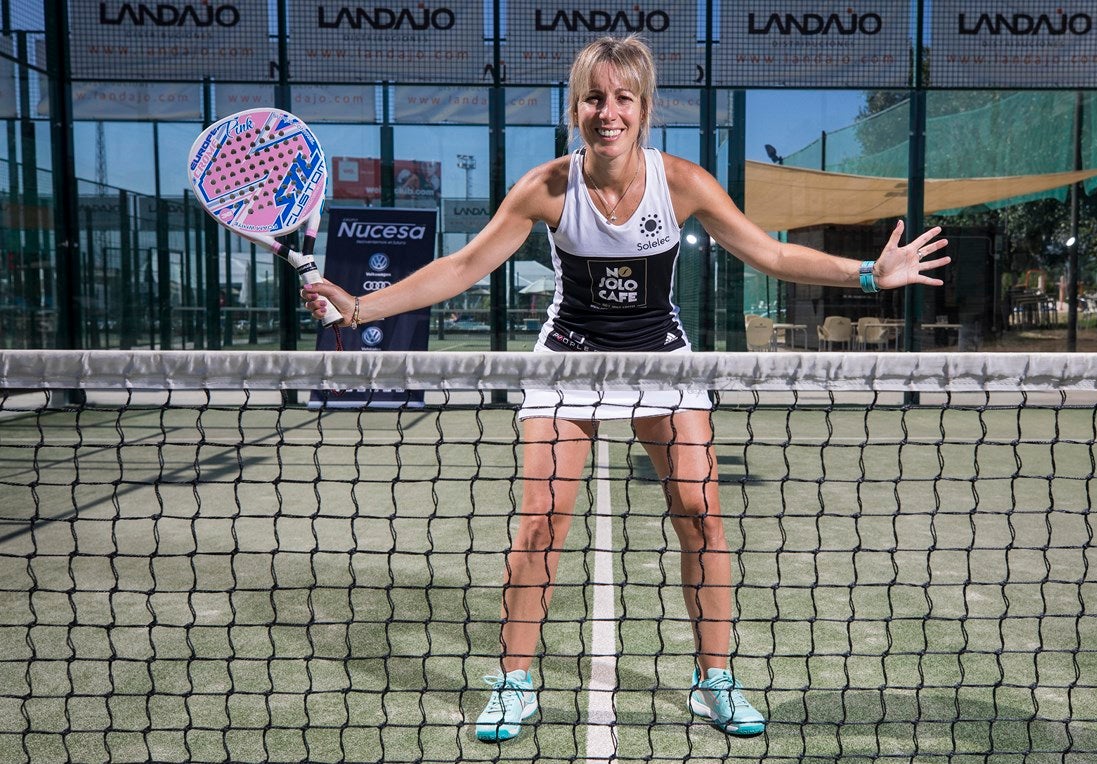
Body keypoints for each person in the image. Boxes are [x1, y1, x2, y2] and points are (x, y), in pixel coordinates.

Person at [302, 35, 950, 743]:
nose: (606, 112)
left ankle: (715, 681)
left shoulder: (681, 182)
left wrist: (867, 275)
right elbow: (462, 266)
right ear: (576, 106)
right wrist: (361, 307)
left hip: (659, 359)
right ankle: (514, 683)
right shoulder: (546, 188)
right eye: (593, 98)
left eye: (622, 99)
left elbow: (768, 251)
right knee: (543, 520)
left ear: (643, 110)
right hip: (568, 360)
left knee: (702, 512)